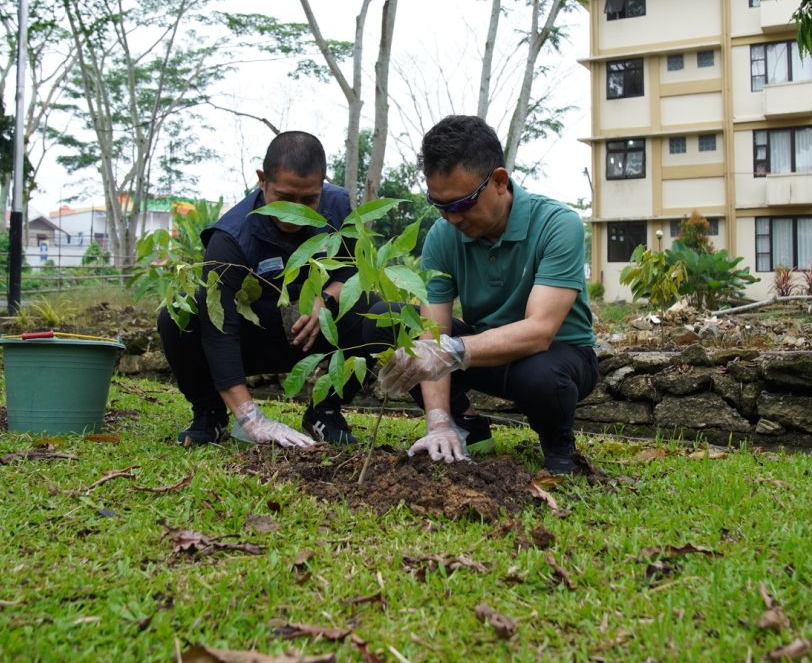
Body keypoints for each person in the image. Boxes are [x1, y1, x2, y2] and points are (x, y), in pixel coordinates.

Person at [377, 115, 599, 474]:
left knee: (542, 375)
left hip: (559, 355)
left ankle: (559, 446)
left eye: (461, 205)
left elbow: (540, 330)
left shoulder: (558, 224)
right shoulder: (442, 236)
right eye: (440, 206)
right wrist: (437, 418)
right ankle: (461, 425)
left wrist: (450, 352)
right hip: (484, 355)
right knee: (389, 323)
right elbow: (432, 335)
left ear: (498, 181)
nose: (452, 219)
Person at [157, 131, 380, 448]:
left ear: (322, 184)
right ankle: (210, 413)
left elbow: (350, 270)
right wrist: (252, 419)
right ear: (263, 180)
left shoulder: (337, 206)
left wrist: (325, 300)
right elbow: (219, 328)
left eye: (309, 200)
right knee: (178, 315)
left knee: (371, 307)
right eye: (285, 198)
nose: (296, 211)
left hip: (315, 332)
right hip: (251, 340)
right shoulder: (231, 238)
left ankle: (326, 412)